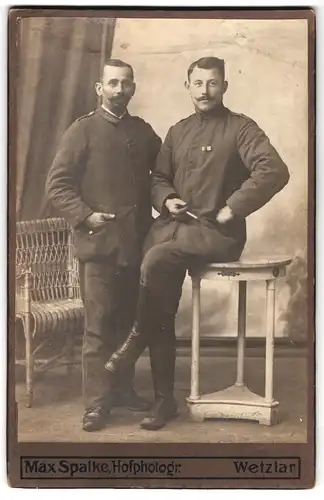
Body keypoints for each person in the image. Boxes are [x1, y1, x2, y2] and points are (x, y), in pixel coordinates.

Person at [104, 56, 290, 431]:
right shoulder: (177, 131)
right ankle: (163, 402)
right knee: (161, 299)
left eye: (212, 83)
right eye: (198, 83)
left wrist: (233, 208)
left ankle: (134, 340)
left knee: (157, 258)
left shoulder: (241, 128)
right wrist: (167, 198)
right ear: (188, 87)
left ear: (224, 87)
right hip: (172, 230)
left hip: (215, 235)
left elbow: (274, 169)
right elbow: (158, 177)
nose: (205, 91)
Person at [45, 59, 162, 432]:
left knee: (130, 324)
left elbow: (163, 176)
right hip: (98, 248)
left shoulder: (143, 133)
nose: (119, 90)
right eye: (112, 83)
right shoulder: (81, 131)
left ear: (133, 88)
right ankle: (96, 404)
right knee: (98, 328)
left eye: (126, 83)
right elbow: (57, 186)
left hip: (137, 246)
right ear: (100, 88)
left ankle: (123, 390)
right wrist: (86, 216)